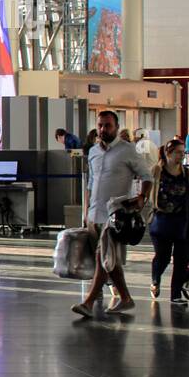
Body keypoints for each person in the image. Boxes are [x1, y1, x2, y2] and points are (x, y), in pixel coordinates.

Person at [73, 110, 152, 317]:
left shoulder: (128, 151)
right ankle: (126, 298)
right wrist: (86, 210)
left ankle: (88, 302)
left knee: (102, 257)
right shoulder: (93, 152)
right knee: (110, 260)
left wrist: (142, 198)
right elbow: (91, 183)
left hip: (114, 214)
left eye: (107, 125)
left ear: (116, 127)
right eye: (100, 125)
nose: (102, 129)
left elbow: (146, 175)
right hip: (94, 214)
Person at [148, 137, 189, 305]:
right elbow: (146, 192)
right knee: (163, 256)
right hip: (162, 222)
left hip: (184, 222)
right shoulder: (156, 171)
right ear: (168, 153)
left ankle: (175, 295)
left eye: (182, 153)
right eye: (178, 153)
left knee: (181, 259)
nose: (181, 156)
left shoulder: (188, 174)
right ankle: (155, 278)